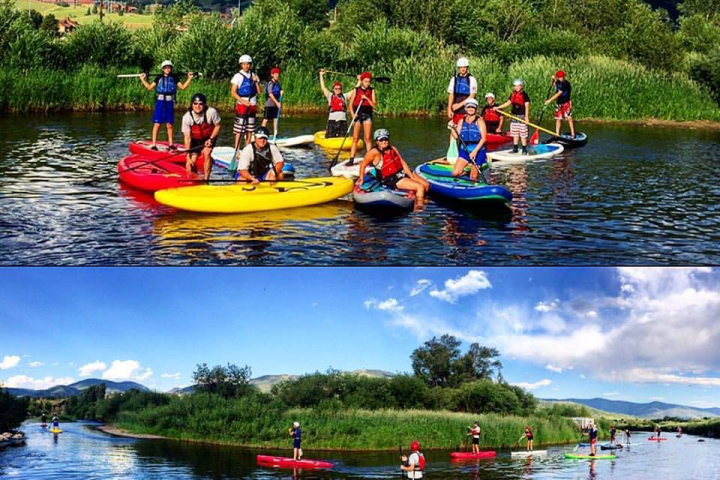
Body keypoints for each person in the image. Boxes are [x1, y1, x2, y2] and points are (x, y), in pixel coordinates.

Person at [356, 129, 429, 208]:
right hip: (391, 179)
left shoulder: (392, 148)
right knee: (420, 187)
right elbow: (363, 165)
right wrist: (361, 179)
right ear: (377, 141)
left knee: (426, 185)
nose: (384, 141)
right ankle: (419, 210)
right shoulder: (374, 152)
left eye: (386, 139)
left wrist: (411, 176)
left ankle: (419, 197)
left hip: (402, 173)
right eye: (381, 140)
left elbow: (402, 162)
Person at [139, 60, 194, 150]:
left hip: (170, 102)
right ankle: (153, 144)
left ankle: (171, 144)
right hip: (160, 101)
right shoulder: (158, 78)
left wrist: (189, 78)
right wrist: (142, 79)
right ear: (163, 69)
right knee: (157, 124)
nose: (167, 69)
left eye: (169, 68)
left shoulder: (174, 78)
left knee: (169, 124)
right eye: (166, 68)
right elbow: (149, 88)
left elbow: (183, 87)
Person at [180, 93, 221, 181]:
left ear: (204, 105)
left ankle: (206, 180)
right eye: (195, 103)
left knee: (207, 152)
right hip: (195, 139)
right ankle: (193, 179)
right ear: (192, 104)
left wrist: (211, 139)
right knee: (192, 162)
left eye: (200, 104)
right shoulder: (186, 117)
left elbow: (217, 126)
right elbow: (187, 137)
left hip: (208, 137)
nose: (198, 106)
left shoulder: (211, 112)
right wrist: (187, 157)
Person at [448, 98, 487, 181]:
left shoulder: (480, 121)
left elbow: (484, 139)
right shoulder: (461, 121)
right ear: (465, 108)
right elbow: (456, 136)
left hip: (478, 151)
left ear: (476, 109)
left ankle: (473, 181)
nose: (471, 109)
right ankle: (465, 174)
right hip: (465, 150)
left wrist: (475, 152)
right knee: (455, 173)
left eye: (473, 107)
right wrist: (451, 127)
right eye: (469, 107)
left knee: (473, 177)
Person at [231, 54, 262, 149]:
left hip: (252, 104)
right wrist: (242, 101)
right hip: (242, 104)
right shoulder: (238, 76)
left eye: (248, 64)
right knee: (239, 130)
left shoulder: (253, 75)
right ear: (241, 65)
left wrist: (256, 81)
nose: (246, 66)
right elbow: (233, 92)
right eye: (244, 64)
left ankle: (247, 149)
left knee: (250, 129)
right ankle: (236, 149)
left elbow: (259, 92)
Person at [495, 79, 531, 154]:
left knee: (523, 133)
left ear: (522, 86)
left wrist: (526, 117)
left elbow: (527, 106)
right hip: (514, 116)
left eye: (518, 86)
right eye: (515, 86)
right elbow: (508, 103)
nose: (517, 87)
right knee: (515, 133)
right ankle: (515, 148)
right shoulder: (512, 94)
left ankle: (524, 149)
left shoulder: (525, 95)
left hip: (522, 116)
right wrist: (498, 107)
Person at [347, 72, 376, 163]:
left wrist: (367, 98)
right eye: (366, 81)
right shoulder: (356, 90)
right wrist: (352, 115)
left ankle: (370, 158)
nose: (367, 83)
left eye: (369, 82)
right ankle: (351, 159)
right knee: (355, 138)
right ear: (362, 81)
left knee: (367, 138)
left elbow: (374, 106)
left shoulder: (372, 90)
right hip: (358, 114)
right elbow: (350, 105)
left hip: (367, 115)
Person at [319, 69, 351, 138]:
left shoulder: (344, 96)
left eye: (339, 89)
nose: (337, 90)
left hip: (343, 121)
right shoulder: (330, 95)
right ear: (333, 89)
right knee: (330, 136)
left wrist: (360, 81)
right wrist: (321, 75)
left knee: (343, 137)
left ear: (341, 90)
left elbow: (355, 90)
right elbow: (323, 87)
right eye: (336, 89)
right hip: (332, 120)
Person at [447, 57, 477, 126]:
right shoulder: (454, 79)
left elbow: (472, 95)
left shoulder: (472, 79)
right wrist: (449, 109)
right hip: (455, 108)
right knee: (454, 127)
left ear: (467, 68)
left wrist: (459, 105)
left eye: (464, 67)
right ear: (459, 68)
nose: (463, 69)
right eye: (461, 67)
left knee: (465, 126)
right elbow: (451, 94)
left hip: (467, 106)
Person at [544, 70, 575, 138]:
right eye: (559, 77)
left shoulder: (565, 84)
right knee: (558, 118)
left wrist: (549, 100)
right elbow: (554, 85)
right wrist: (552, 80)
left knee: (568, 118)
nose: (561, 78)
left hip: (566, 103)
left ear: (564, 77)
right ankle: (557, 134)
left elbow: (559, 93)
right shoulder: (558, 81)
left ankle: (573, 134)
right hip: (559, 103)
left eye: (562, 77)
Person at [261, 67, 283, 137]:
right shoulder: (270, 83)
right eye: (275, 74)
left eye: (278, 74)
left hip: (275, 104)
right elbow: (270, 94)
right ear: (272, 75)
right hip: (269, 104)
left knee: (275, 118)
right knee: (266, 119)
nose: (277, 75)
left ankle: (275, 133)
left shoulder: (277, 83)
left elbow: (280, 91)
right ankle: (262, 133)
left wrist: (281, 92)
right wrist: (277, 102)